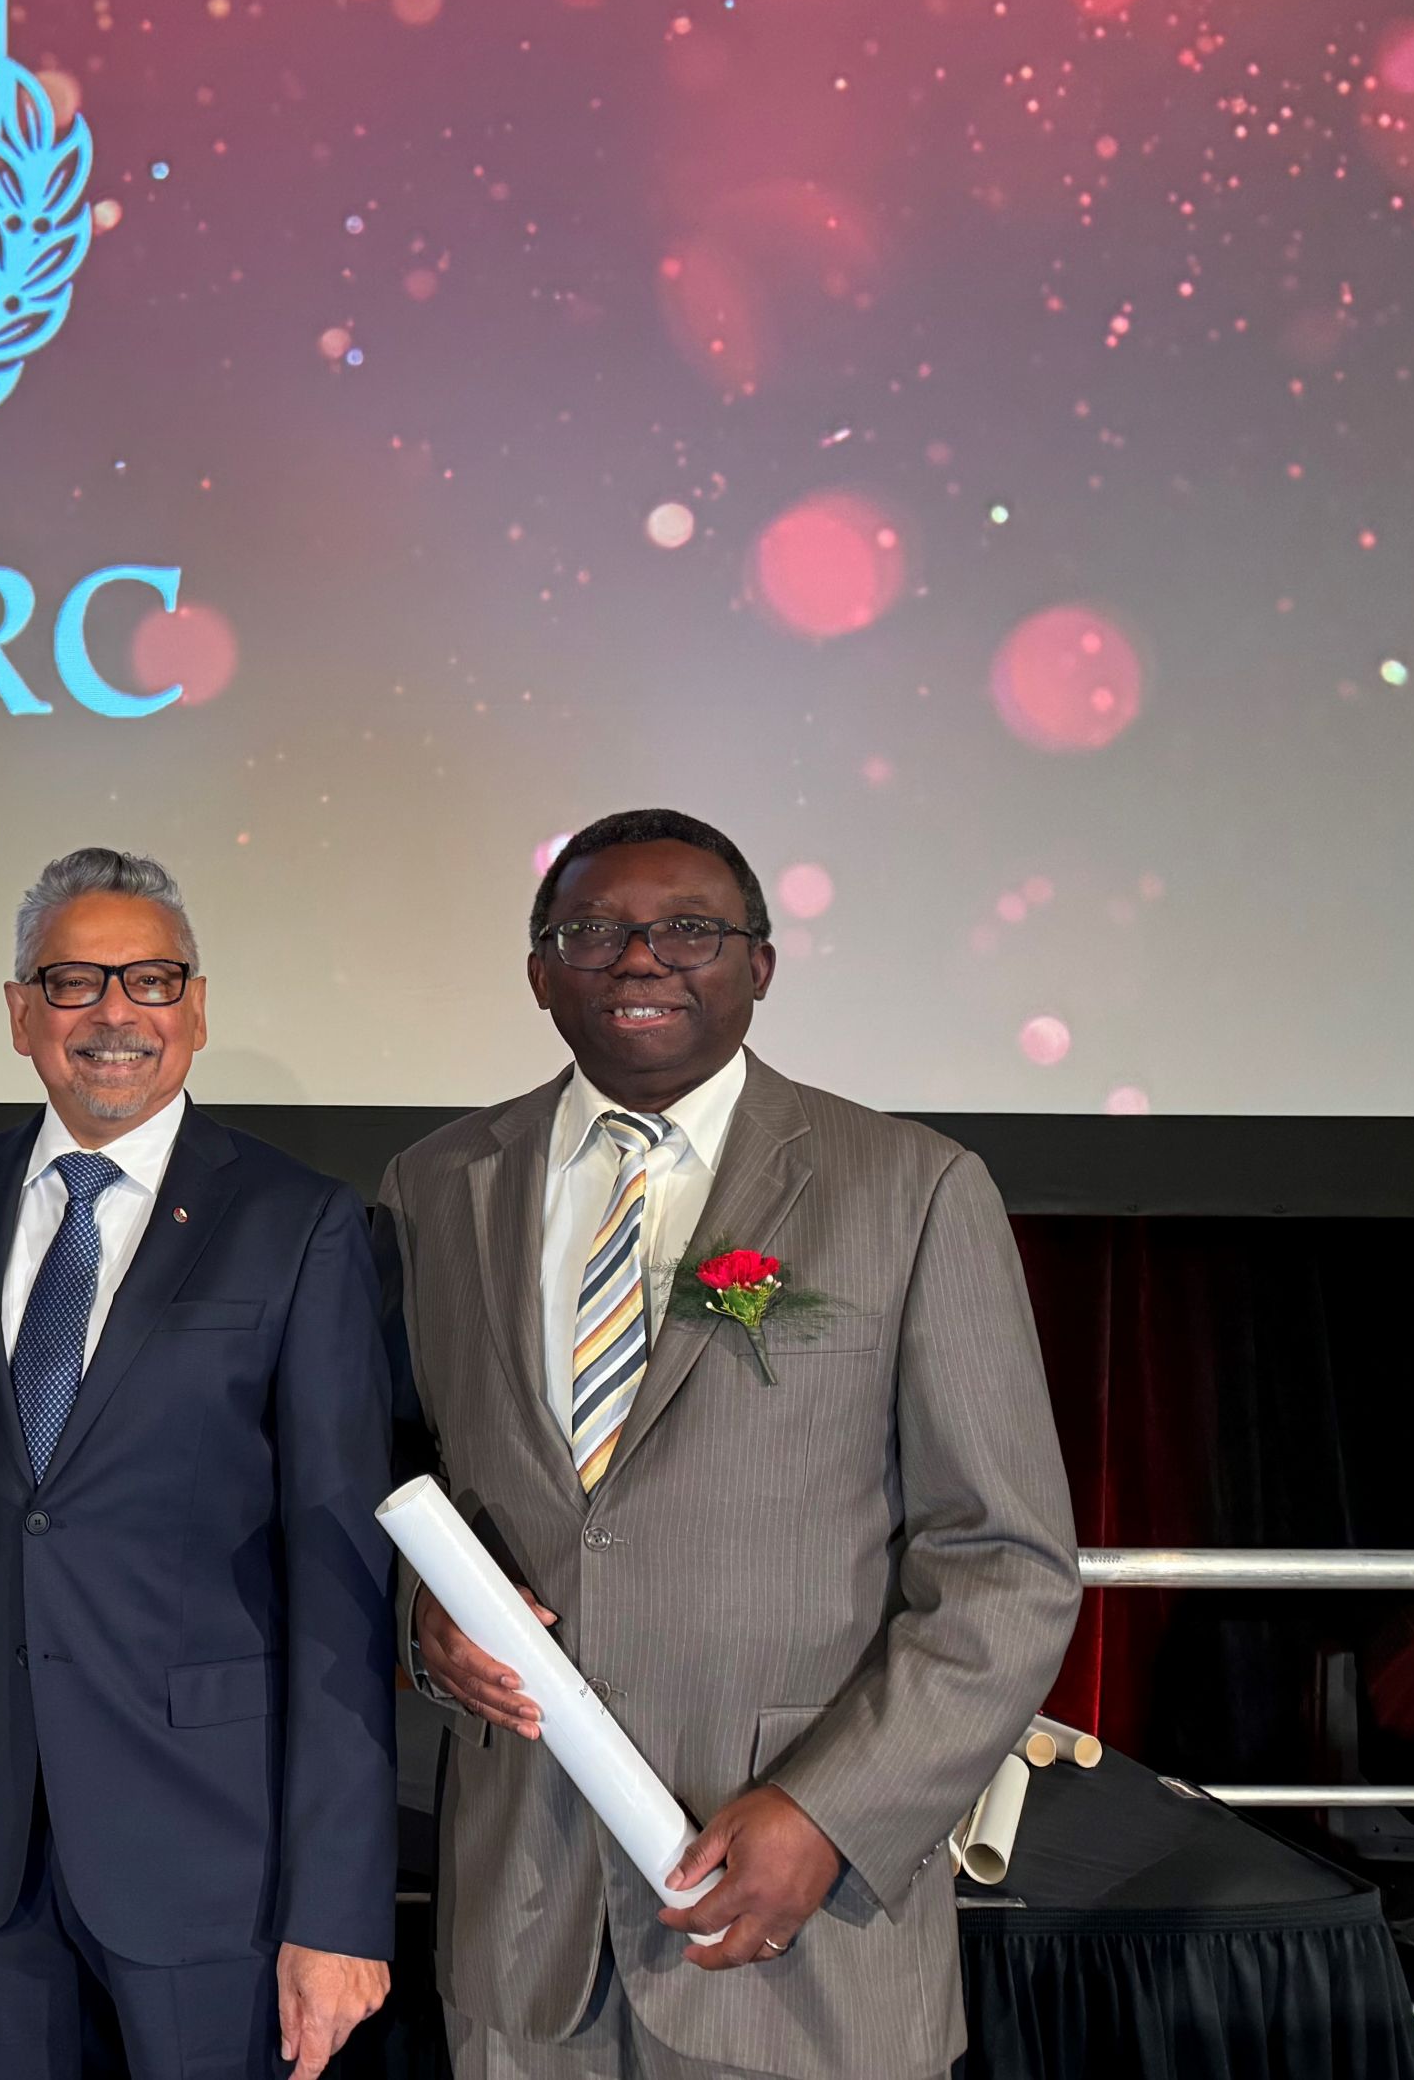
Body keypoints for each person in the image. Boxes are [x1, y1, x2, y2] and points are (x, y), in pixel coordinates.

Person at [379, 809, 1080, 2080]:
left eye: (689, 930)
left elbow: (1006, 1564)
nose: (640, 959)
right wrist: (417, 1615)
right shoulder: (436, 1185)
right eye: (593, 931)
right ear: (541, 973)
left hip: (800, 1932)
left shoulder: (910, 1188)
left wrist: (832, 1811)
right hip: (523, 1937)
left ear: (760, 965)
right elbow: (400, 1467)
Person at [0, 848, 400, 2080]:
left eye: (151, 979)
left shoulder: (299, 1221)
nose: (115, 1012)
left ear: (198, 1007)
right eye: (72, 981)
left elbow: (345, 1576)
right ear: (19, 1015)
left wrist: (336, 1906)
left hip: (216, 1856)